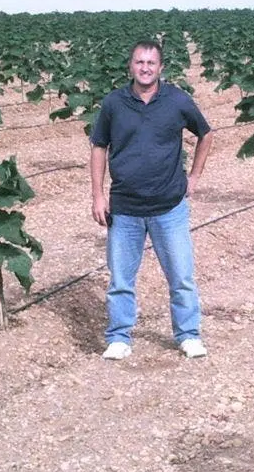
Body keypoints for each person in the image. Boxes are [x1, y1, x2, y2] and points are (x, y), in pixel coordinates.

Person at [89, 39, 214, 361]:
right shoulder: (114, 104)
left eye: (151, 63)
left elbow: (206, 133)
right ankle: (118, 337)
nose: (145, 68)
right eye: (139, 62)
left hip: (168, 207)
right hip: (125, 209)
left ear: (160, 67)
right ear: (130, 66)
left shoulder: (176, 100)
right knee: (120, 280)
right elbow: (99, 145)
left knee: (182, 277)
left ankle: (188, 335)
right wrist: (98, 194)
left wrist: (195, 175)